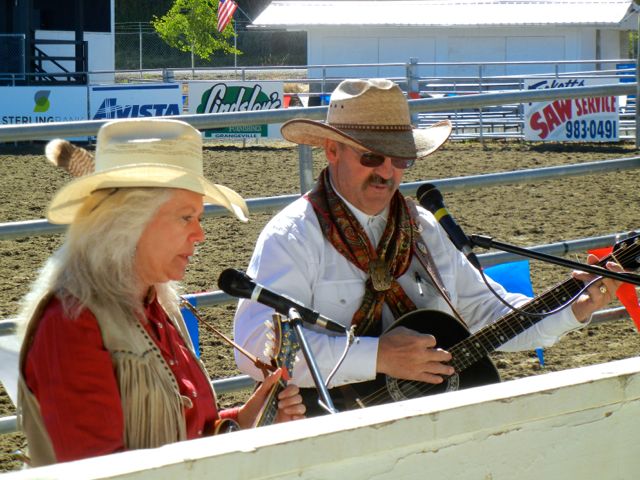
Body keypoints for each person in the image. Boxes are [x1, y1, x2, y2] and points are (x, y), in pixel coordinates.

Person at [233, 78, 622, 415]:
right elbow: (256, 347)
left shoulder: (422, 228)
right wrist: (379, 356)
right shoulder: (293, 236)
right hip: (329, 427)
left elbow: (487, 311)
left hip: (430, 423)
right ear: (332, 151)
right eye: (371, 156)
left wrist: (573, 307)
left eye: (401, 158)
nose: (387, 171)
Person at [16, 118, 305, 467]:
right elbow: (98, 471)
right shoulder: (72, 324)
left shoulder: (156, 305)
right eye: (186, 217)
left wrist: (243, 420)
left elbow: (186, 430)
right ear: (128, 224)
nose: (200, 234)